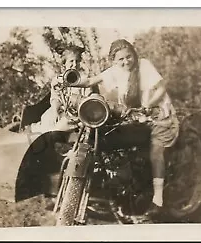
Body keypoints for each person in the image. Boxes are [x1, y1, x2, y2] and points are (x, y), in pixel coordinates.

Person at [71, 39, 180, 217]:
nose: (126, 61)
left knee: (155, 151)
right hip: (137, 119)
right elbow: (90, 80)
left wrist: (148, 104)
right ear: (114, 61)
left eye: (129, 57)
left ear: (134, 55)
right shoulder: (115, 71)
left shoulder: (144, 65)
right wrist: (72, 81)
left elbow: (161, 88)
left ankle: (158, 199)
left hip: (159, 115)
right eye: (120, 59)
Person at [30, 46, 87, 134]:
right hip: (63, 111)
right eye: (71, 61)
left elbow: (88, 98)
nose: (75, 64)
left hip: (78, 113)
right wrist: (55, 110)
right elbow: (55, 98)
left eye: (77, 61)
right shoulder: (58, 80)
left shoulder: (85, 79)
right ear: (65, 63)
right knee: (47, 118)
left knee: (63, 126)